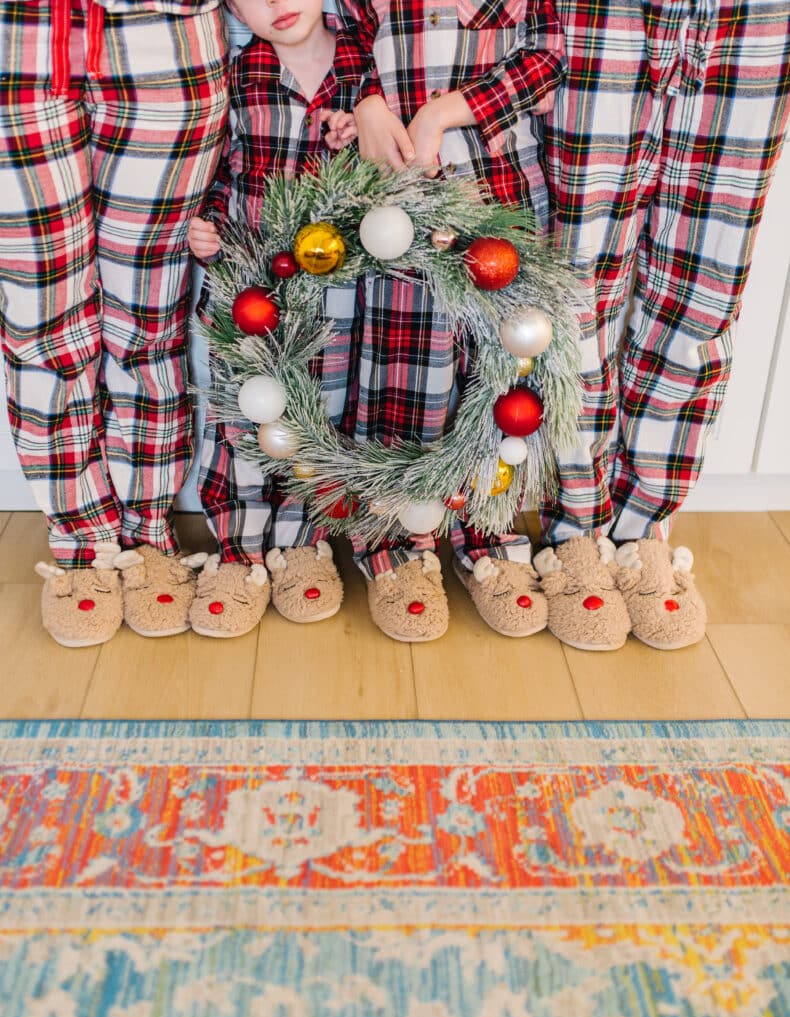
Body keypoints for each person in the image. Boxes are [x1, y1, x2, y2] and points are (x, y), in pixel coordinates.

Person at [532, 0, 790, 651]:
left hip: (752, 19)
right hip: (601, 15)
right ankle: (576, 526)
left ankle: (642, 526)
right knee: (578, 276)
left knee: (702, 286)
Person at [334, 0, 568, 641]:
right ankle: (399, 543)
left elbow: (545, 57)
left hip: (496, 196)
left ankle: (486, 535)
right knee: (408, 368)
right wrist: (369, 103)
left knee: (498, 376)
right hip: (399, 201)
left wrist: (441, 112)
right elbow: (350, 36)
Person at [0, 0, 228, 647]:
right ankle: (80, 537)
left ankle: (145, 522)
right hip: (16, 34)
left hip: (166, 30)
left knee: (148, 315)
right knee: (42, 318)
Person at [185, 0, 365, 638]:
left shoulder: (364, 70)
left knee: (321, 412)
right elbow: (215, 165)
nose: (276, 5)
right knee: (244, 417)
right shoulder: (237, 75)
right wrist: (205, 223)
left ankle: (304, 541)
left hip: (333, 292)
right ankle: (238, 547)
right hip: (251, 286)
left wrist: (359, 132)